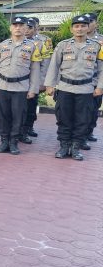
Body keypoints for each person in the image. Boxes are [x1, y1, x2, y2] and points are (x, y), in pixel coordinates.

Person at [44, 15, 103, 160]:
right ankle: (64, 146)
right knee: (64, 118)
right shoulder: (63, 45)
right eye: (76, 26)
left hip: (86, 89)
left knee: (83, 120)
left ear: (88, 28)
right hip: (65, 88)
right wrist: (50, 85)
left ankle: (76, 147)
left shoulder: (97, 46)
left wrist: (100, 87)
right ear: (72, 29)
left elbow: (101, 69)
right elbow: (54, 66)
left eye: (83, 26)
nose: (80, 29)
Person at [0, 16, 41, 155]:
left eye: (21, 25)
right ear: (10, 28)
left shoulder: (32, 47)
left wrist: (33, 89)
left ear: (26, 28)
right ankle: (4, 141)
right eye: (15, 25)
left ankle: (13, 142)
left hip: (21, 87)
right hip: (3, 86)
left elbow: (35, 69)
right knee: (2, 115)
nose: (18, 28)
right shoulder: (1, 46)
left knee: (18, 116)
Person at [83, 12, 102, 146]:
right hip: (78, 82)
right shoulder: (75, 39)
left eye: (90, 21)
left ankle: (88, 132)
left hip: (94, 81)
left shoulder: (101, 40)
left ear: (96, 24)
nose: (87, 24)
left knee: (93, 110)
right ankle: (79, 136)